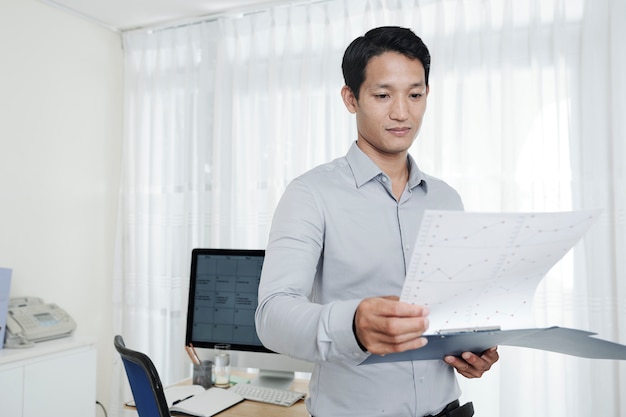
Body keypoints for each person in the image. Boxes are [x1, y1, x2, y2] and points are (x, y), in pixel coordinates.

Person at [255, 26, 499, 417]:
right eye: (383, 95)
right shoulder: (310, 194)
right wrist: (353, 324)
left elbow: (454, 309)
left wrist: (472, 349)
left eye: (415, 95)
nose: (402, 112)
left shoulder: (446, 199)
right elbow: (272, 316)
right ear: (351, 99)